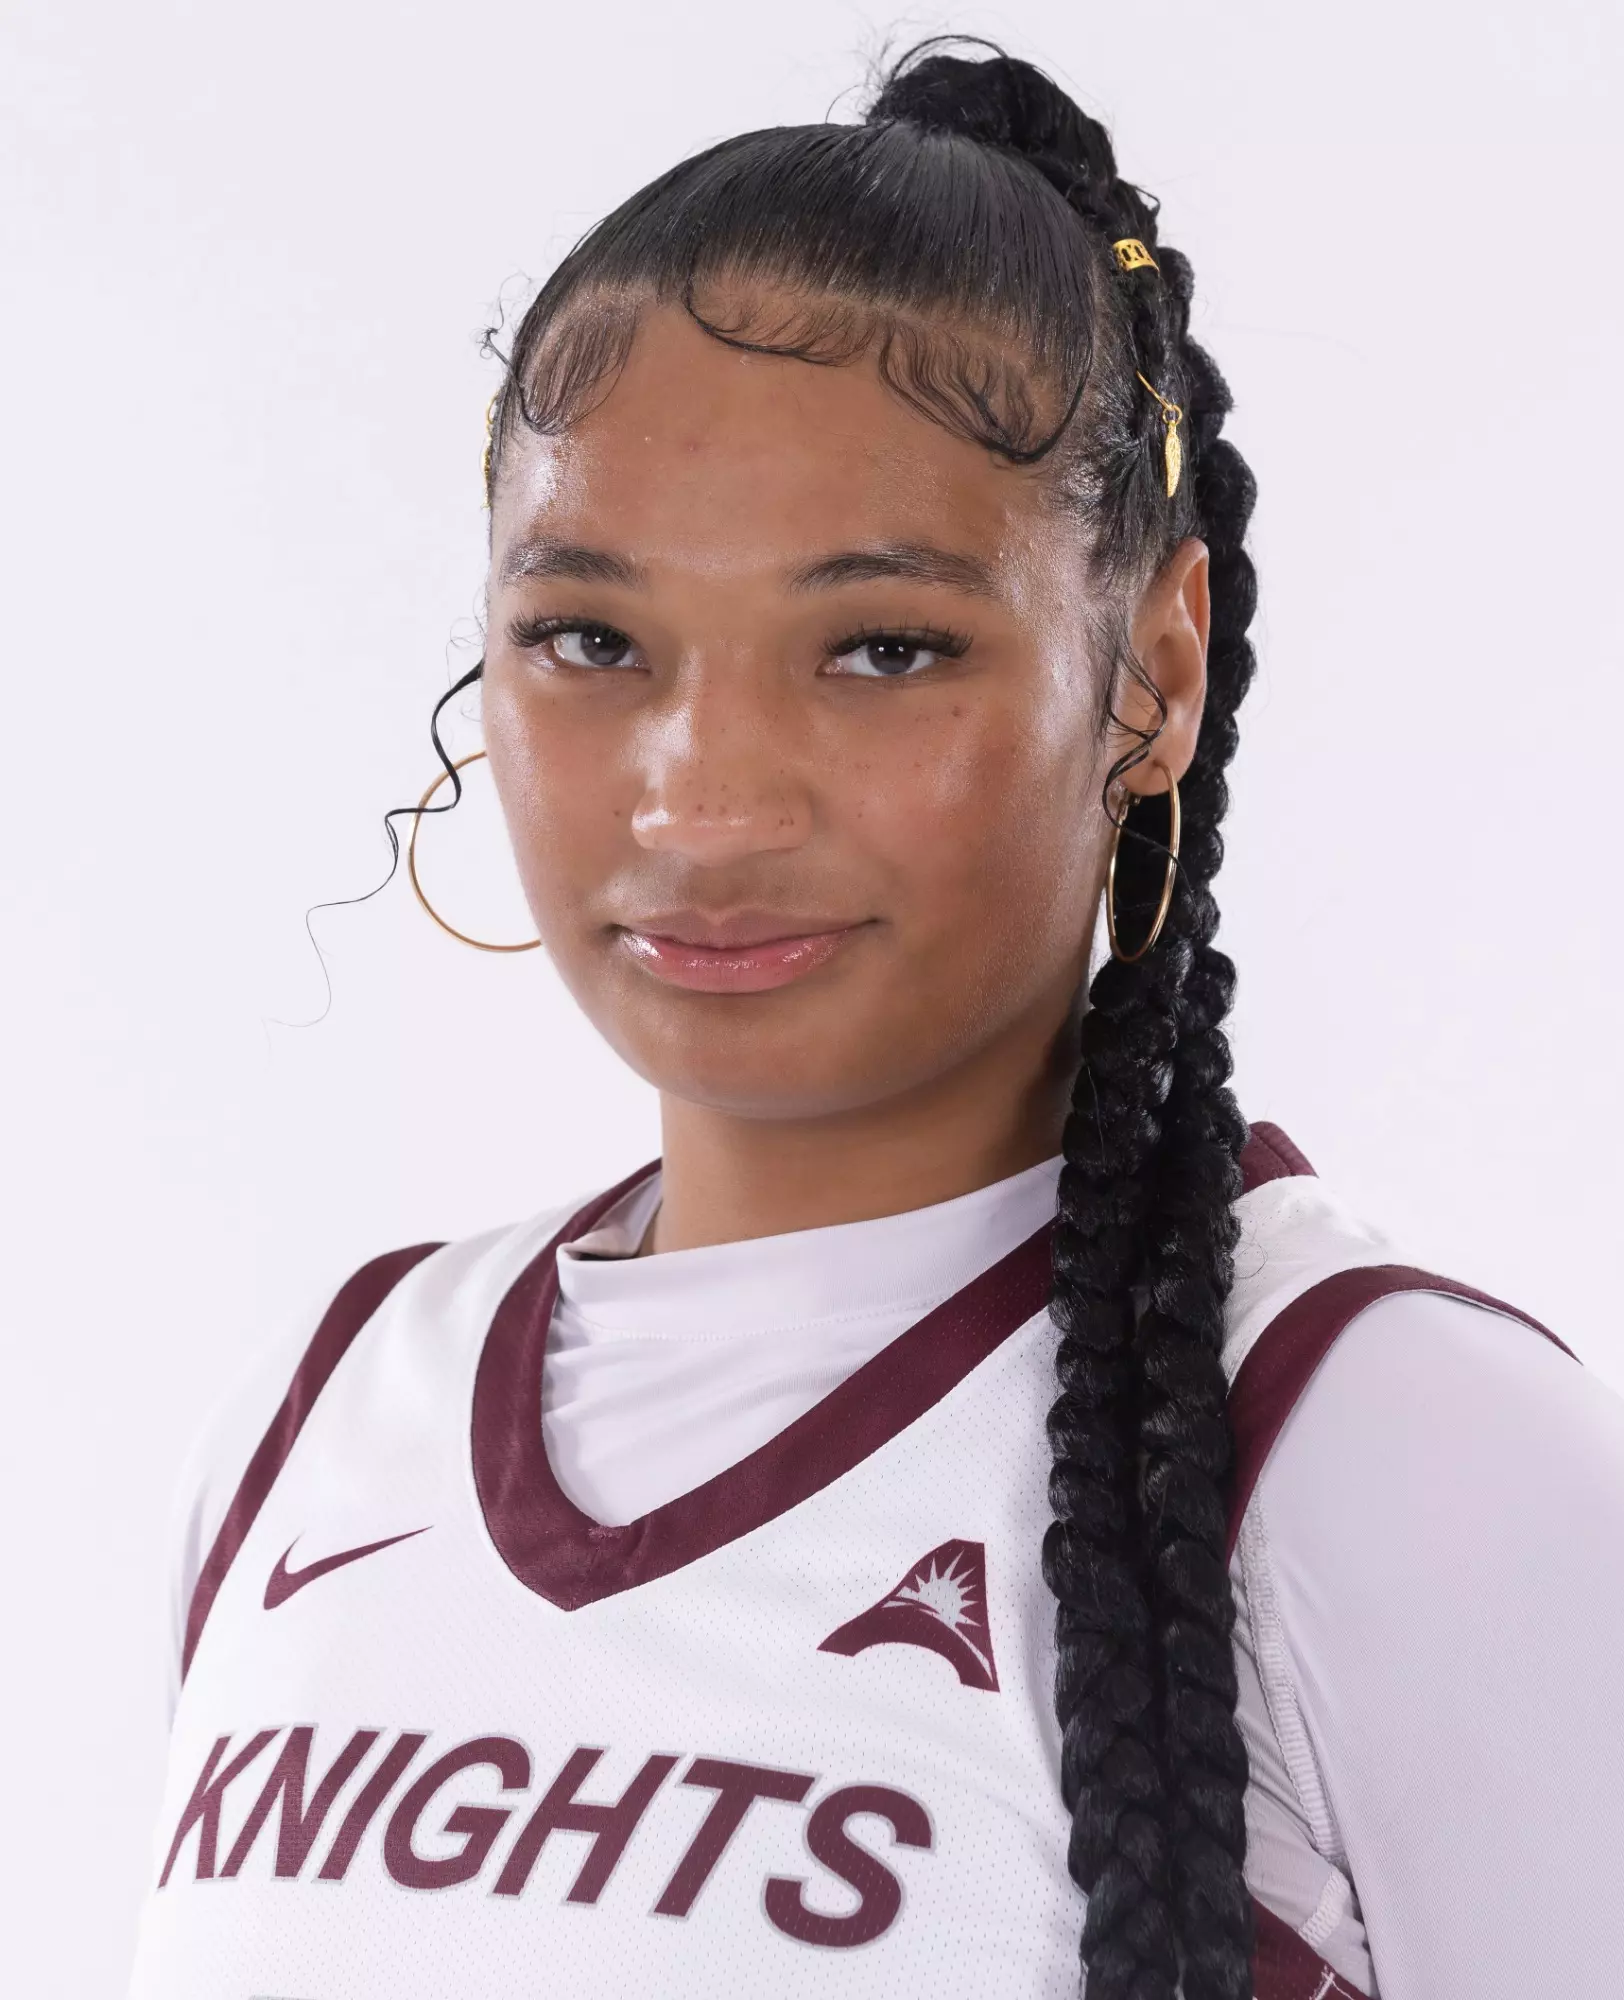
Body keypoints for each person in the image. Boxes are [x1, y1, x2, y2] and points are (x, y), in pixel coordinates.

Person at [126, 36, 1624, 2000]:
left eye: (883, 647)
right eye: (590, 638)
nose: (702, 798)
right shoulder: (322, 1423)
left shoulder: (1390, 1450)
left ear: (1154, 674)